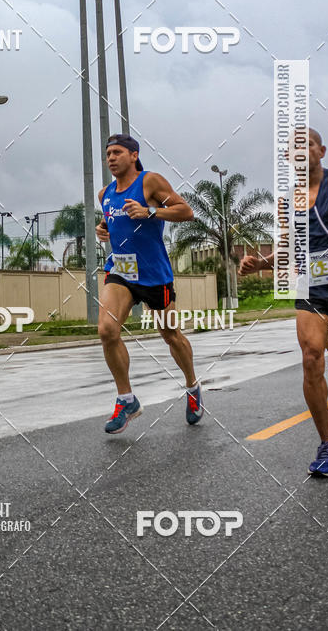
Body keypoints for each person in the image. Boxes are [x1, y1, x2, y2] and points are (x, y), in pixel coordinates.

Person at [240, 128, 328, 476]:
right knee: (310, 357)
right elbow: (289, 246)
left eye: (307, 144)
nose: (301, 151)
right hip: (311, 291)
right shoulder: (290, 200)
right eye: (293, 148)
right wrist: (262, 262)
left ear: (321, 150)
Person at [95, 133, 204, 433]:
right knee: (107, 330)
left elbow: (186, 211)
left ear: (133, 155)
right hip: (121, 271)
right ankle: (126, 398)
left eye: (117, 152)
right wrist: (102, 229)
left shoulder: (150, 182)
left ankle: (193, 387)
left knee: (170, 333)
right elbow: (112, 220)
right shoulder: (105, 193)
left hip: (154, 274)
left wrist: (150, 211)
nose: (111, 158)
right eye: (107, 154)